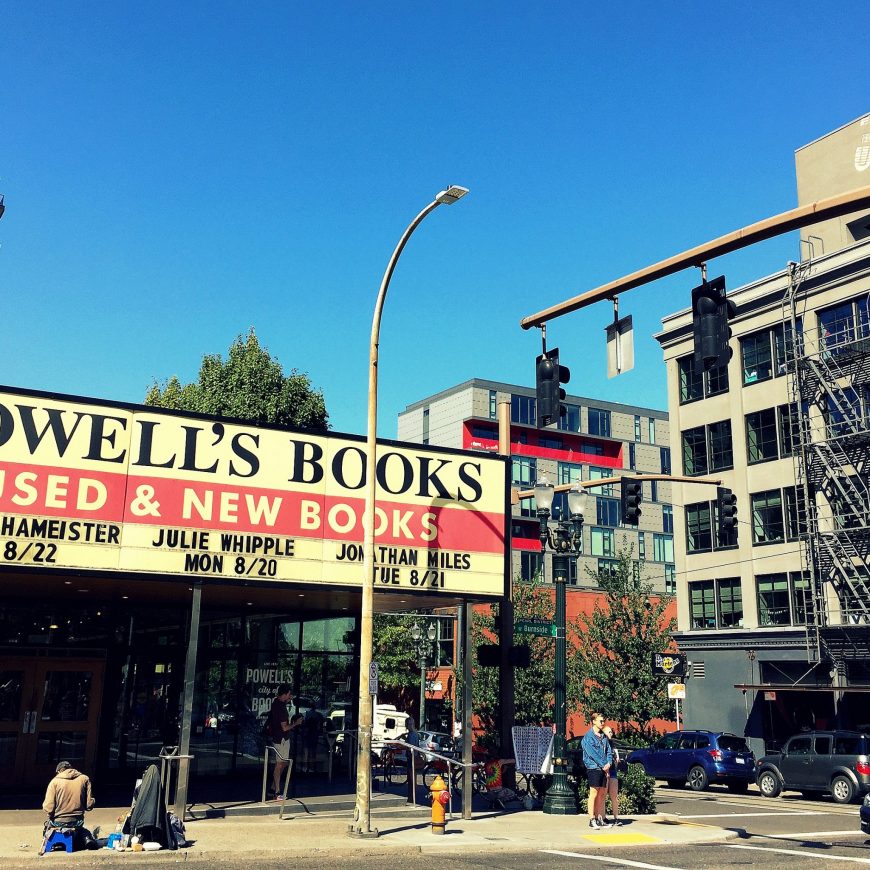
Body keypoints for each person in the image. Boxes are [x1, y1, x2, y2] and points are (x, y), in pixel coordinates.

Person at [41, 761, 96, 851]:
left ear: (59, 771)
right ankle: (87, 838)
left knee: (47, 828)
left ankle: (56, 841)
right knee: (82, 829)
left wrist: (49, 814)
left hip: (58, 822)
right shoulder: (84, 779)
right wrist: (93, 800)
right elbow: (89, 805)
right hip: (77, 821)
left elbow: (48, 808)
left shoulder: (54, 782)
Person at [581, 712, 613, 830]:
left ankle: (600, 818)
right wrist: (603, 764)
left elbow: (608, 750)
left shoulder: (603, 736)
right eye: (600, 721)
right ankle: (591, 819)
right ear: (593, 721)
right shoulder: (588, 737)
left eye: (604, 721)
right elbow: (592, 753)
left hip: (604, 767)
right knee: (593, 793)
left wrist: (609, 762)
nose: (603, 723)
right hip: (594, 767)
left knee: (602, 794)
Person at [266, 684, 294, 798]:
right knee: (280, 764)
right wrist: (295, 724)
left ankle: (273, 788)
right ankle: (277, 791)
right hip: (281, 739)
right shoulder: (281, 709)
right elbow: (285, 727)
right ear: (286, 694)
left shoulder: (276, 703)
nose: (290, 696)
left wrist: (287, 700)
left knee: (283, 763)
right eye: (288, 694)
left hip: (279, 738)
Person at [602, 725, 622, 826]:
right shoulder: (602, 744)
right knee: (603, 795)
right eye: (609, 732)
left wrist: (617, 759)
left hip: (613, 771)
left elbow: (616, 759)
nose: (611, 733)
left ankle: (616, 818)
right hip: (605, 771)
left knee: (614, 795)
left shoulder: (613, 746)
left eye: (611, 732)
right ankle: (603, 817)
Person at [404, 716, 422, 803]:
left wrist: (404, 745)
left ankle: (412, 798)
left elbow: (410, 746)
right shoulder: (416, 733)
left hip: (411, 758)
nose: (408, 726)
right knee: (412, 778)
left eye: (409, 724)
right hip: (415, 756)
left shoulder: (411, 734)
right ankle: (412, 797)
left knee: (411, 779)